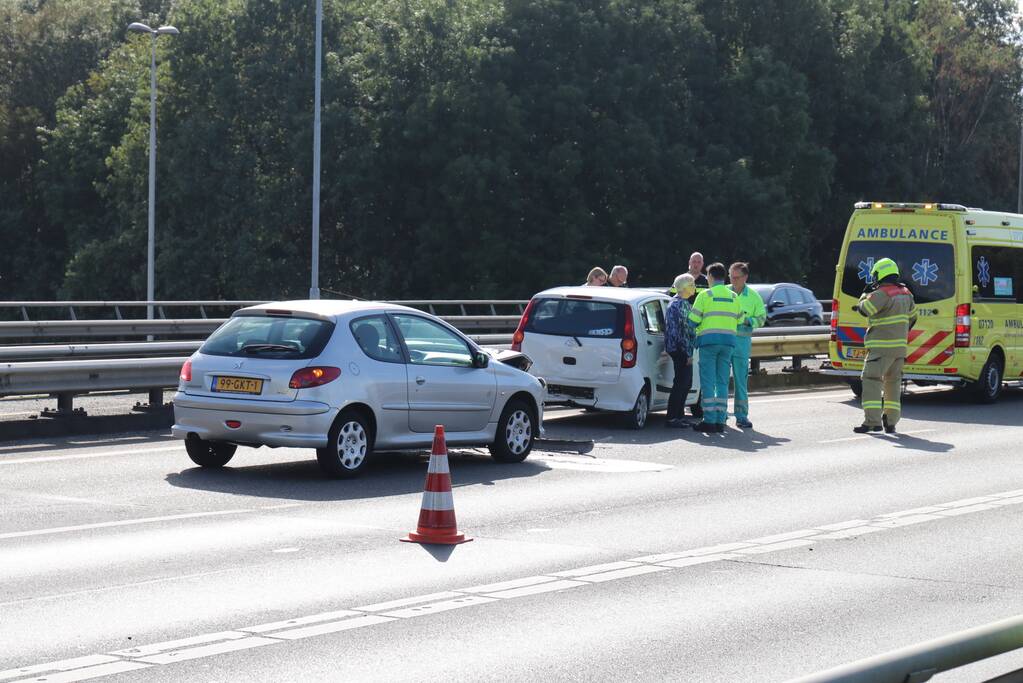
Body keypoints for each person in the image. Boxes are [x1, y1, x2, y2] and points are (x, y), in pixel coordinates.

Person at [853, 258, 917, 434]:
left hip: (880, 348)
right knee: (893, 384)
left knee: (871, 380)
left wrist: (864, 295)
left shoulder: (882, 294)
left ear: (880, 274)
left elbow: (865, 309)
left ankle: (872, 422)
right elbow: (913, 317)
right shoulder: (906, 293)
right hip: (899, 349)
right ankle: (891, 421)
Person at [688, 263, 743, 433]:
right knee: (722, 382)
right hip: (728, 343)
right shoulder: (734, 296)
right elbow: (740, 320)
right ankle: (720, 419)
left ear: (710, 277)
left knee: (708, 382)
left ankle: (709, 420)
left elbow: (693, 320)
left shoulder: (705, 295)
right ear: (724, 277)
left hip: (708, 343)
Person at [728, 262, 766, 429]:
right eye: (731, 277)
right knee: (720, 380)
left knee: (740, 381)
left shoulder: (753, 296)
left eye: (736, 277)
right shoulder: (725, 292)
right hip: (724, 342)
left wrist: (747, 321)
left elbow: (762, 319)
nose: (733, 280)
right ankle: (719, 415)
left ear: (745, 277)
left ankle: (741, 416)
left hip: (742, 344)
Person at [664, 273, 697, 427]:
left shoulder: (677, 302)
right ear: (684, 287)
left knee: (686, 383)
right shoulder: (680, 304)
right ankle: (672, 418)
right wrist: (688, 353)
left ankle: (679, 416)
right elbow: (683, 331)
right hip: (680, 349)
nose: (694, 287)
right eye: (692, 284)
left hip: (678, 348)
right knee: (681, 383)